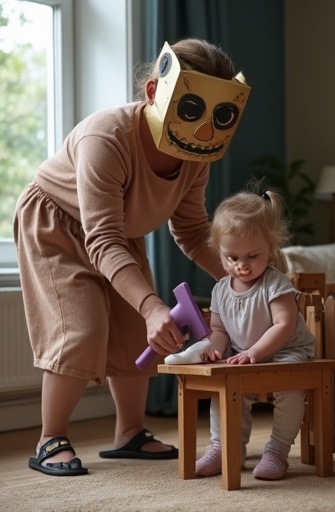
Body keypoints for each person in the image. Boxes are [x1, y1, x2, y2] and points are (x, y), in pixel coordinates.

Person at [13, 38, 251, 477]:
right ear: (153, 94)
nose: (203, 130)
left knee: (137, 334)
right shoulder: (107, 138)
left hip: (119, 233)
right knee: (80, 329)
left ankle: (130, 432)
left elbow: (193, 230)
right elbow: (99, 237)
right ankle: (50, 437)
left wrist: (243, 274)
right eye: (193, 110)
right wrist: (152, 305)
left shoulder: (198, 150)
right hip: (58, 224)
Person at [165, 188, 315, 480]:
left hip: (287, 353)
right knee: (223, 391)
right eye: (231, 257)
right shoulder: (221, 288)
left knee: (290, 390)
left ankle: (277, 450)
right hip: (244, 355)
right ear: (218, 251)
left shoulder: (276, 283)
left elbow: (283, 325)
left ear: (270, 248)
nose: (241, 265)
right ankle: (223, 447)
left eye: (251, 256)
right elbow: (220, 330)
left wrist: (255, 353)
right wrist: (217, 350)